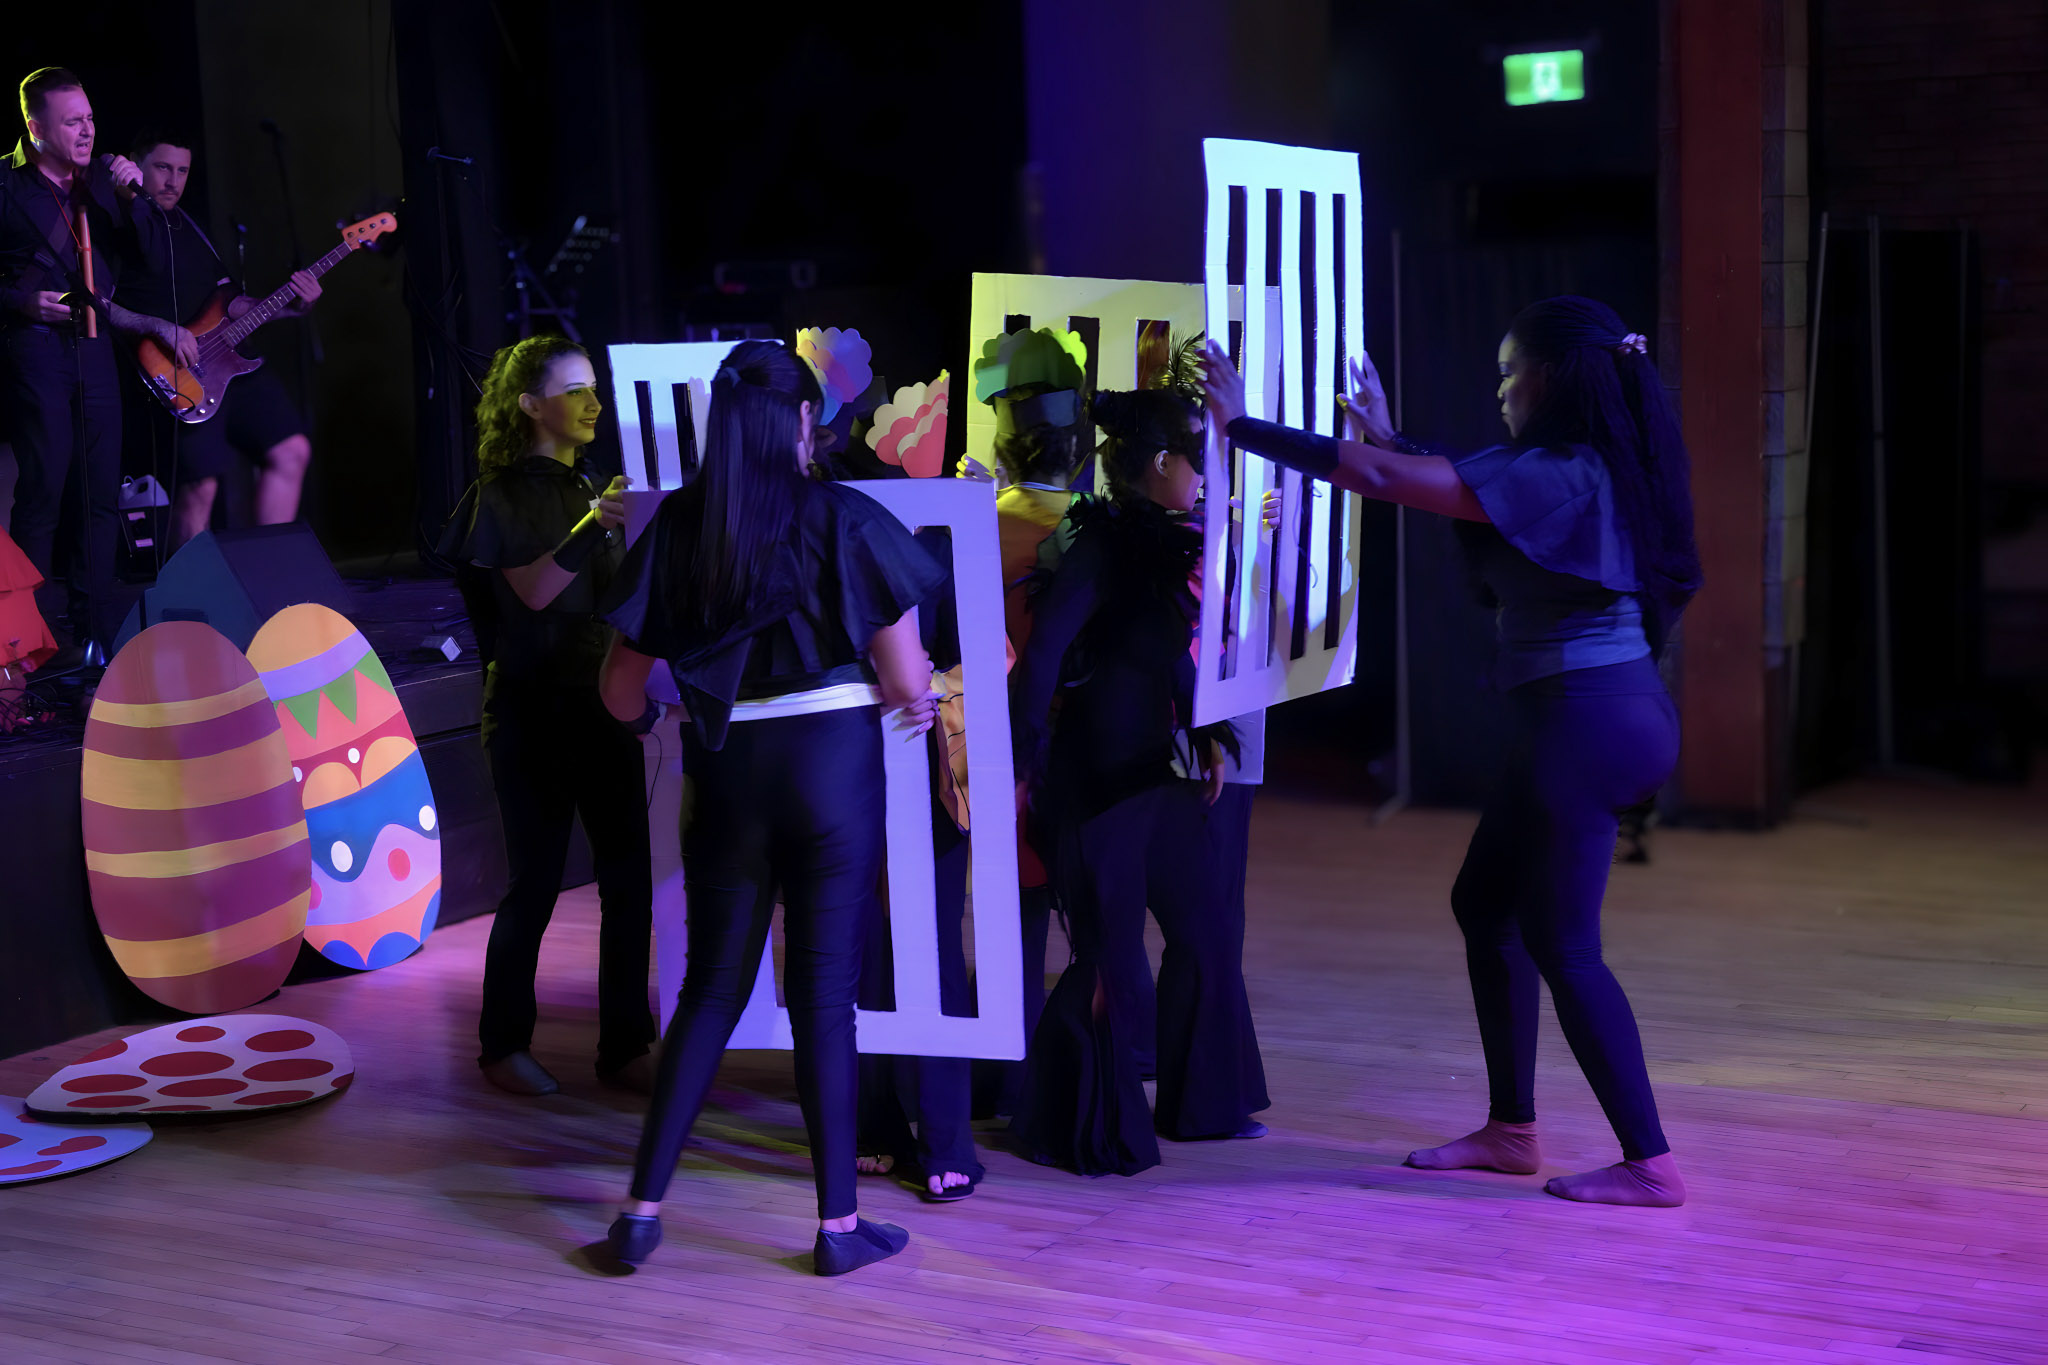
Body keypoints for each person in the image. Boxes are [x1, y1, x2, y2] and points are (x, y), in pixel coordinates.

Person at [1200, 295, 1701, 1207]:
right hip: (1593, 717)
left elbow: (1389, 482)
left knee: (1564, 944)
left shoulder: (1563, 472)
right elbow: (1453, 481)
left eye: (1511, 371)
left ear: (1552, 377)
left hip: (1584, 725)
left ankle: (1650, 1162)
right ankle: (1512, 1131)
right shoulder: (1587, 465)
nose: (1500, 388)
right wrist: (1393, 437)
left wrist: (1241, 427)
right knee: (1486, 904)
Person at [595, 339, 945, 1275]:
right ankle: (837, 1228)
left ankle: (638, 1214)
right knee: (826, 998)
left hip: (729, 770)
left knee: (709, 991)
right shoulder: (846, 516)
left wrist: (661, 714)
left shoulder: (681, 525)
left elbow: (619, 690)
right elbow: (906, 679)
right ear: (801, 419)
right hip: (832, 767)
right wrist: (921, 700)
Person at [1010, 386, 1270, 1177]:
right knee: (1107, 953)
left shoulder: (1161, 547)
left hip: (1153, 776)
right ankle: (1069, 1120)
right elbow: (1043, 656)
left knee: (1208, 931)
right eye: (1197, 458)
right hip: (1095, 784)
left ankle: (1203, 1107)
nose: (1204, 474)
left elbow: (1165, 652)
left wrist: (1209, 731)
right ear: (1161, 463)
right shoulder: (1099, 546)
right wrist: (1020, 765)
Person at [436, 335, 656, 1098]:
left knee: (628, 878)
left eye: (594, 387)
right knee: (533, 884)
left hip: (599, 703)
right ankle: (502, 1046)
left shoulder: (591, 486)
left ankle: (627, 1045)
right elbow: (533, 593)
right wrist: (595, 525)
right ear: (531, 405)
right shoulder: (496, 495)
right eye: (574, 390)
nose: (594, 402)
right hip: (532, 712)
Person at [0, 68, 195, 661]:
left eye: (89, 118)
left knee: (101, 494)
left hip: (94, 349)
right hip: (35, 347)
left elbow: (151, 262)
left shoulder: (105, 186)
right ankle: (26, 641)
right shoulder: (6, 185)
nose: (87, 131)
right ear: (35, 127)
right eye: (72, 122)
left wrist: (135, 198)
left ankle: (95, 635)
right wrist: (18, 302)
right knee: (44, 489)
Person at [968, 324, 1092, 1118]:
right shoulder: (1098, 525)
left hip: (993, 739)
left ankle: (1000, 1080)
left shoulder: (976, 520)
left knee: (1007, 919)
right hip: (1081, 743)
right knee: (1082, 919)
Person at [116, 131, 320, 549]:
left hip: (229, 361)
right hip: (175, 369)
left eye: (182, 171)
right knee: (201, 486)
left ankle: (268, 569)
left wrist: (292, 306)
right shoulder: (119, 223)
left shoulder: (191, 226)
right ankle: (192, 586)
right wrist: (159, 326)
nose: (173, 181)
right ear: (136, 163)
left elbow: (232, 302)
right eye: (163, 168)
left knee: (291, 449)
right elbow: (100, 302)